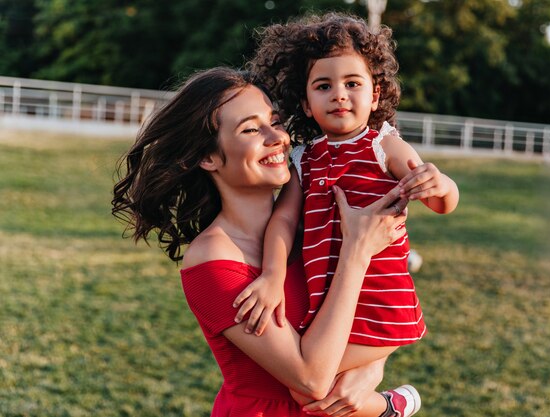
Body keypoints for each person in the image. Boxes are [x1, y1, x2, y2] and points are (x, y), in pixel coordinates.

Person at [112, 67, 430, 417]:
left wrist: (373, 365)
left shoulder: (314, 227)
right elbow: (310, 380)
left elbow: (376, 306)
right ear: (208, 157)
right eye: (250, 128)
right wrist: (357, 253)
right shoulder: (213, 259)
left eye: (275, 121)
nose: (277, 137)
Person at [233, 12, 460, 411]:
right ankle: (389, 404)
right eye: (324, 86)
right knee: (322, 391)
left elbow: (440, 200)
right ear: (305, 103)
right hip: (331, 298)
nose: (339, 94)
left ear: (374, 95)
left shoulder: (384, 146)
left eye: (352, 84)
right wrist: (272, 274)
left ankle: (396, 404)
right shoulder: (303, 159)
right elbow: (283, 221)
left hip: (378, 297)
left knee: (308, 388)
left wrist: (441, 184)